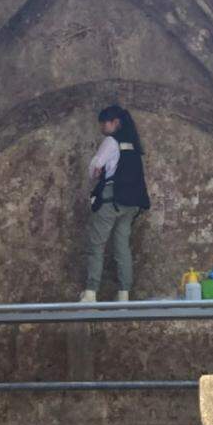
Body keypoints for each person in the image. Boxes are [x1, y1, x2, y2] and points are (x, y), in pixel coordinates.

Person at [81, 104, 151, 302]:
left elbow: (95, 168)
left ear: (115, 122)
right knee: (122, 248)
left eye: (105, 122)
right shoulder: (134, 144)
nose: (102, 127)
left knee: (96, 245)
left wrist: (97, 172)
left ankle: (90, 293)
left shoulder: (111, 141)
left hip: (111, 199)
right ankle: (124, 295)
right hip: (131, 203)